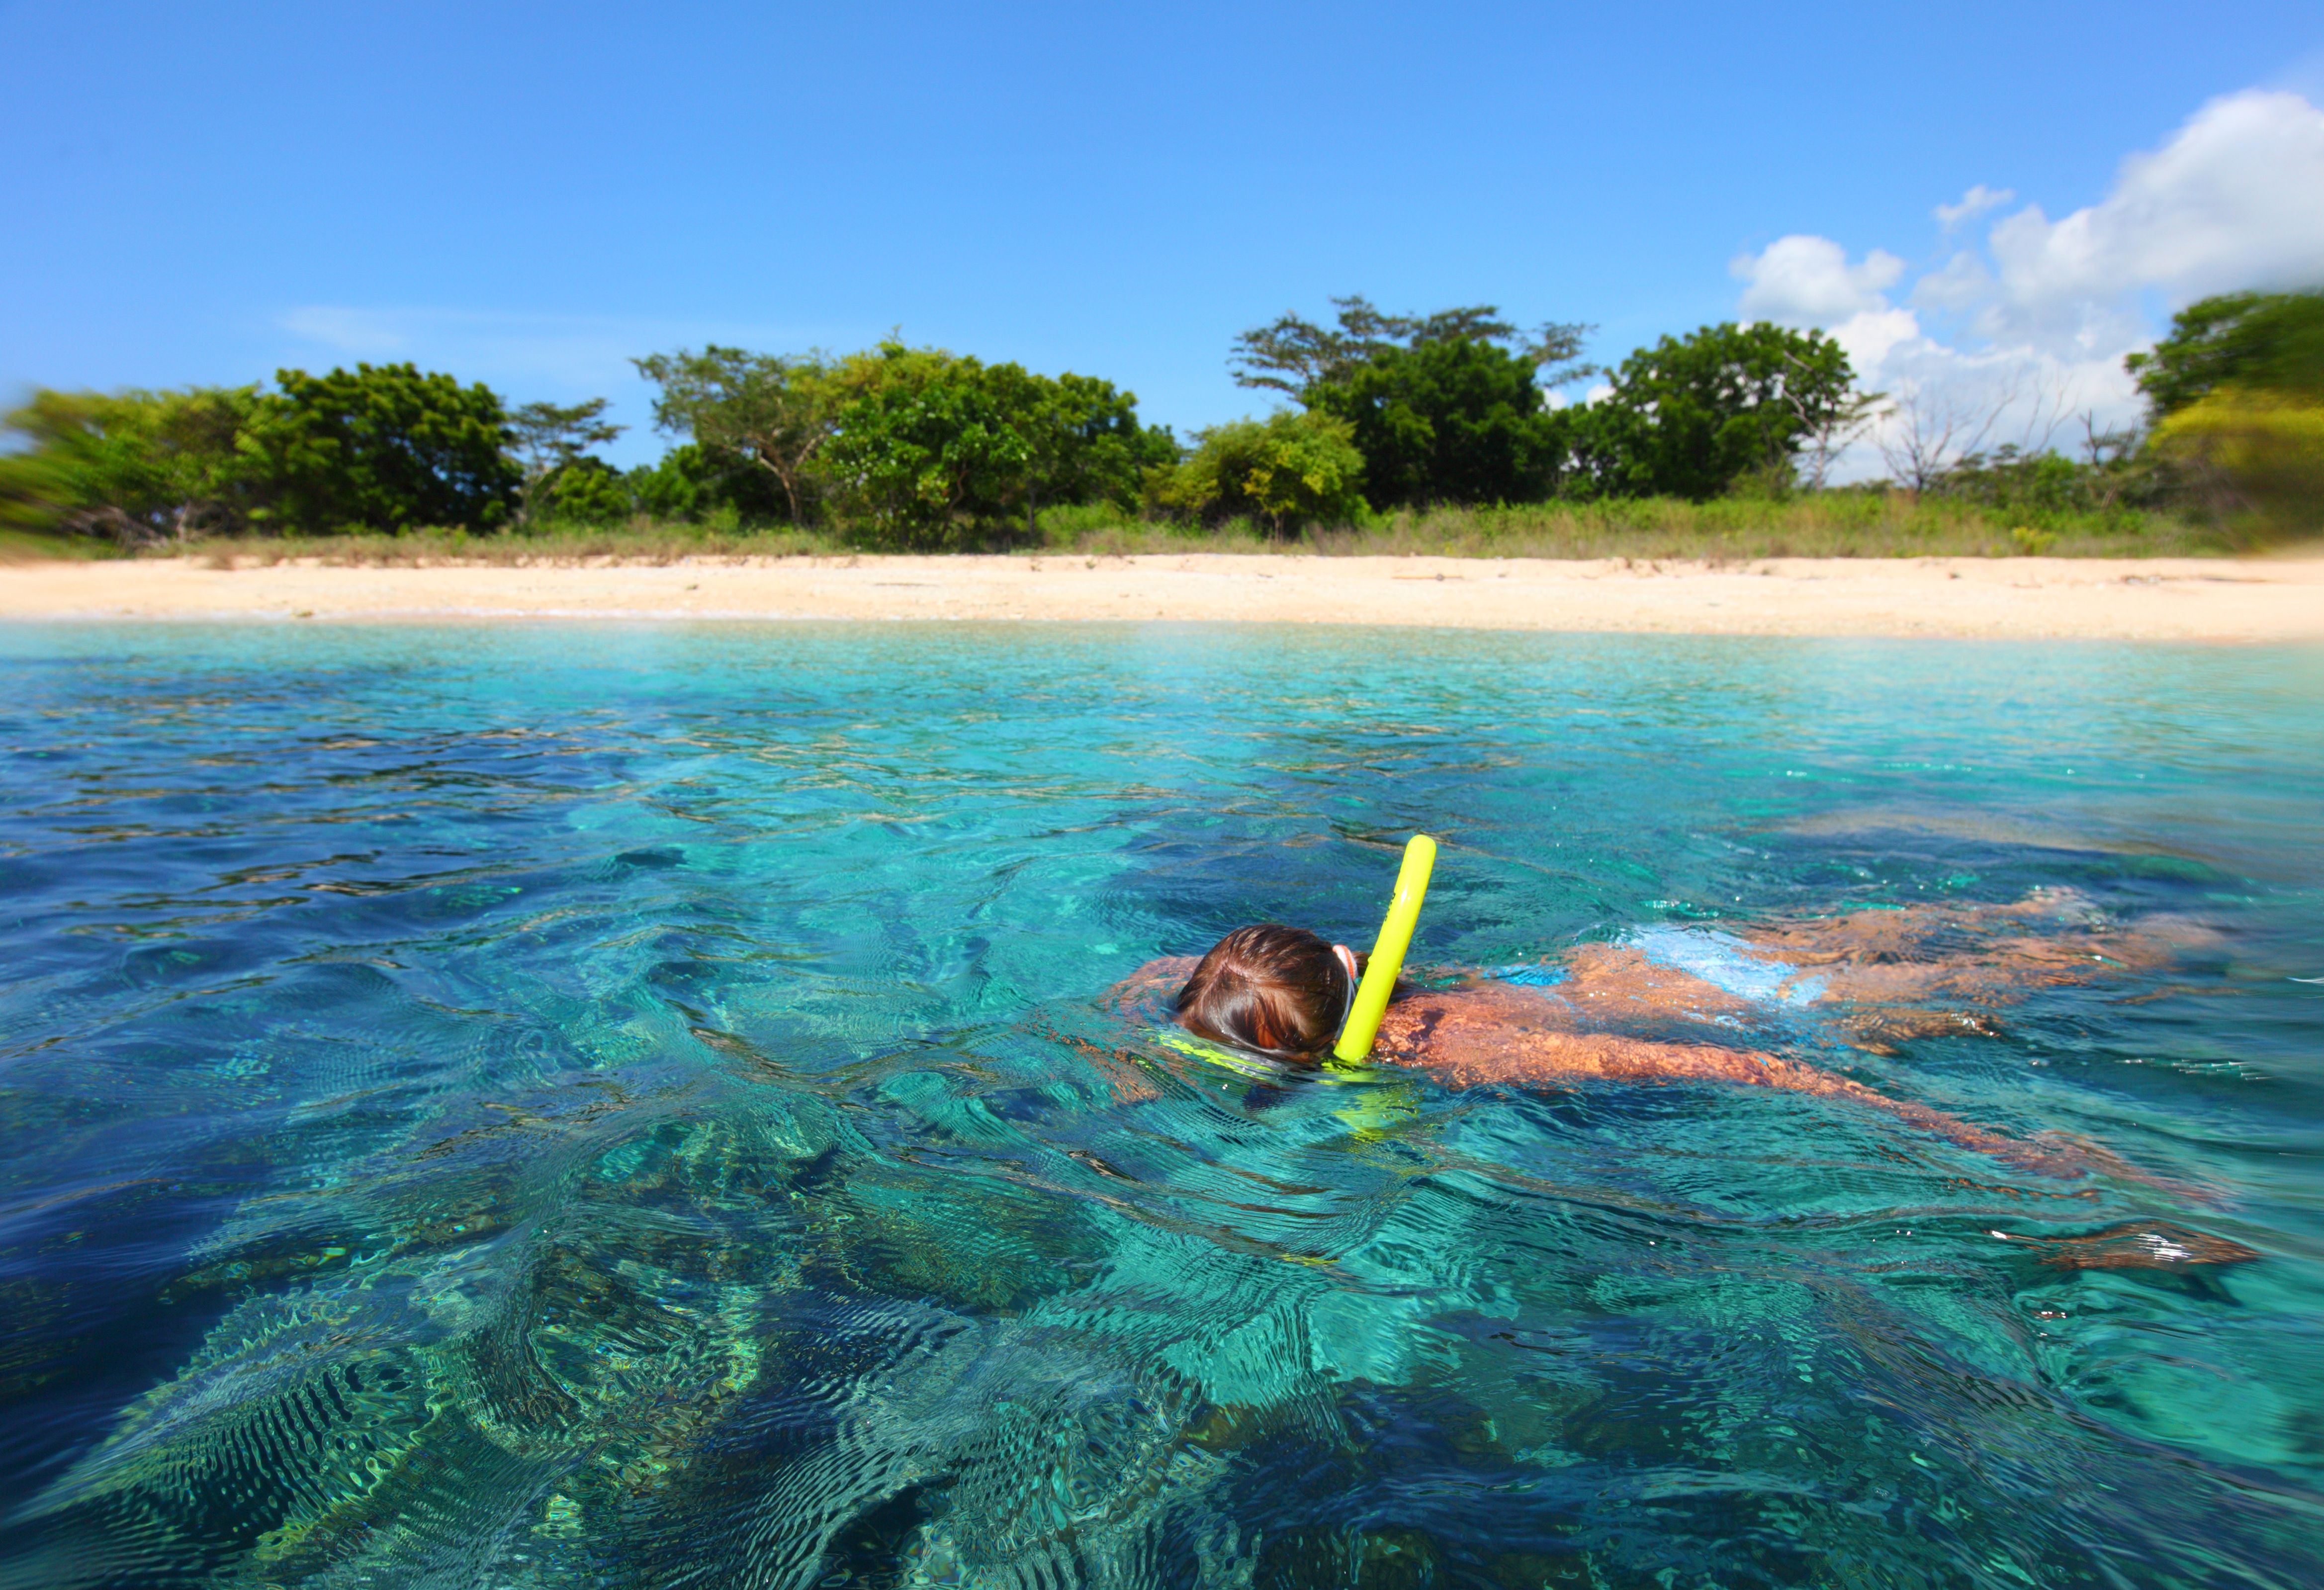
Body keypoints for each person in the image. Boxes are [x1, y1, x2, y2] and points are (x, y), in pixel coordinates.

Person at [1112, 890, 2221, 1191]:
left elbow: (1735, 1063)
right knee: (1966, 944)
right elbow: (1168, 981)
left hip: (1745, 1001)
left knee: (2005, 983)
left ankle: (2171, 941)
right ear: (1349, 967)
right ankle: (2081, 915)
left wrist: (1991, 1146)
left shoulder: (1453, 1049)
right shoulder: (1200, 978)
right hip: (1650, 954)